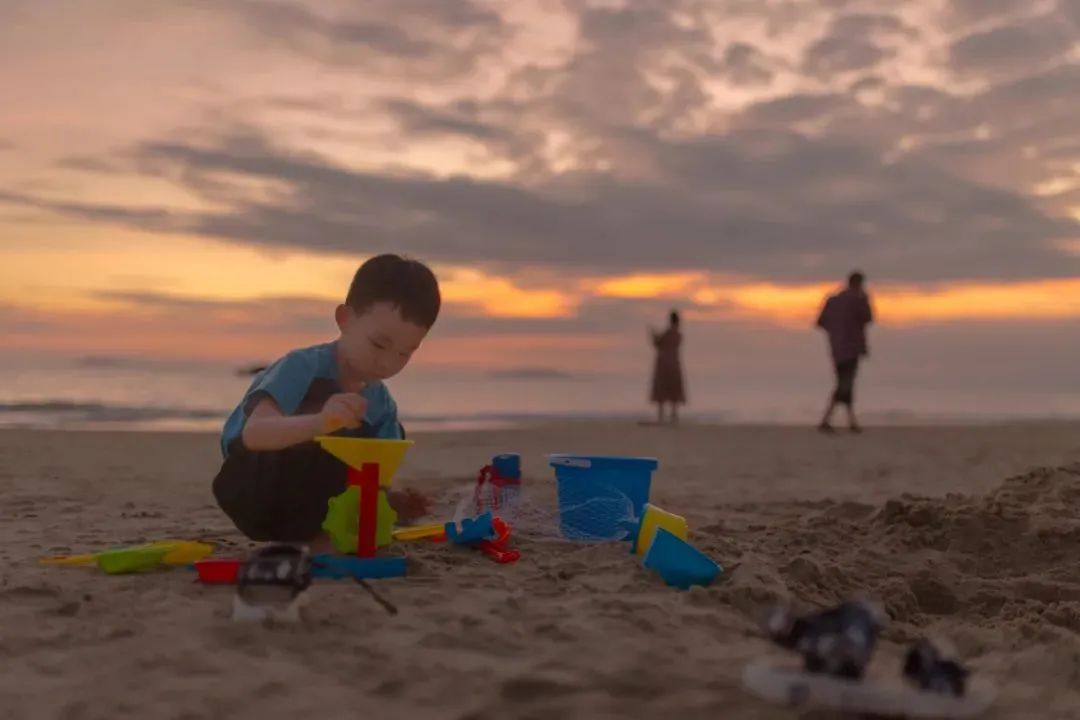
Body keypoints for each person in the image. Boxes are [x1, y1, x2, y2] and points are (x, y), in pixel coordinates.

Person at [212, 254, 440, 546]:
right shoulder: (301, 367)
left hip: (319, 502)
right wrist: (322, 421)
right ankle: (315, 538)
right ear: (345, 319)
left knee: (374, 446)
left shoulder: (381, 404)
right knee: (333, 420)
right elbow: (254, 434)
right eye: (379, 344)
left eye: (404, 353)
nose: (386, 362)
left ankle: (319, 535)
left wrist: (392, 500)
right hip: (253, 485)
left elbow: (373, 477)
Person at [816, 271, 873, 434]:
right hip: (851, 347)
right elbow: (868, 318)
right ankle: (827, 420)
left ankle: (850, 421)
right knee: (845, 384)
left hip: (837, 348)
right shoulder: (858, 299)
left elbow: (821, 322)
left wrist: (835, 332)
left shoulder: (833, 301)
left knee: (845, 383)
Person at [649, 310, 686, 425]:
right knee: (673, 392)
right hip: (674, 365)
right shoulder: (678, 335)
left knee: (663, 392)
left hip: (664, 365)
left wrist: (653, 334)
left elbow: (657, 343)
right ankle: (673, 416)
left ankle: (662, 417)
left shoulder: (669, 334)